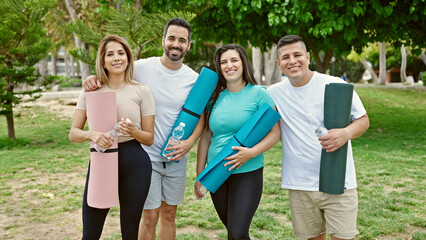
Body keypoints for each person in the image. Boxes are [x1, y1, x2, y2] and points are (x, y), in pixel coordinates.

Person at [83, 18, 204, 240]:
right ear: (163, 40)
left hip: (176, 158)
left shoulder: (194, 79)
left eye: (182, 40)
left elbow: (202, 116)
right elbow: (112, 72)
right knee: (149, 217)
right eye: (171, 38)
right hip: (147, 158)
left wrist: (189, 143)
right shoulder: (141, 68)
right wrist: (92, 78)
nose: (175, 44)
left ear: (189, 45)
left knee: (169, 215)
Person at [267, 35, 370, 240]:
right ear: (279, 64)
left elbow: (363, 120)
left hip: (339, 181)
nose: (292, 61)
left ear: (307, 57)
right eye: (285, 57)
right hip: (300, 184)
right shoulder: (273, 93)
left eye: (297, 55)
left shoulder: (334, 84)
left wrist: (346, 133)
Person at [69, 34, 155, 239]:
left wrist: (133, 131)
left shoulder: (141, 91)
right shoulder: (91, 91)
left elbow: (149, 137)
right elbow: (73, 133)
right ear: (103, 61)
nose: (117, 58)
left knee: (129, 231)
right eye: (110, 54)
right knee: (90, 233)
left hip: (135, 163)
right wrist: (93, 135)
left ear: (128, 58)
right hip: (101, 162)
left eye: (121, 53)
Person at [195, 44, 280, 239]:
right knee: (233, 232)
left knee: (238, 231)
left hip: (247, 171)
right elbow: (206, 136)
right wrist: (201, 173)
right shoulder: (214, 97)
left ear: (243, 63)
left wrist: (251, 152)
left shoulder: (259, 93)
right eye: (223, 62)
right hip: (217, 171)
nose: (229, 65)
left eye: (234, 60)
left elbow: (275, 133)